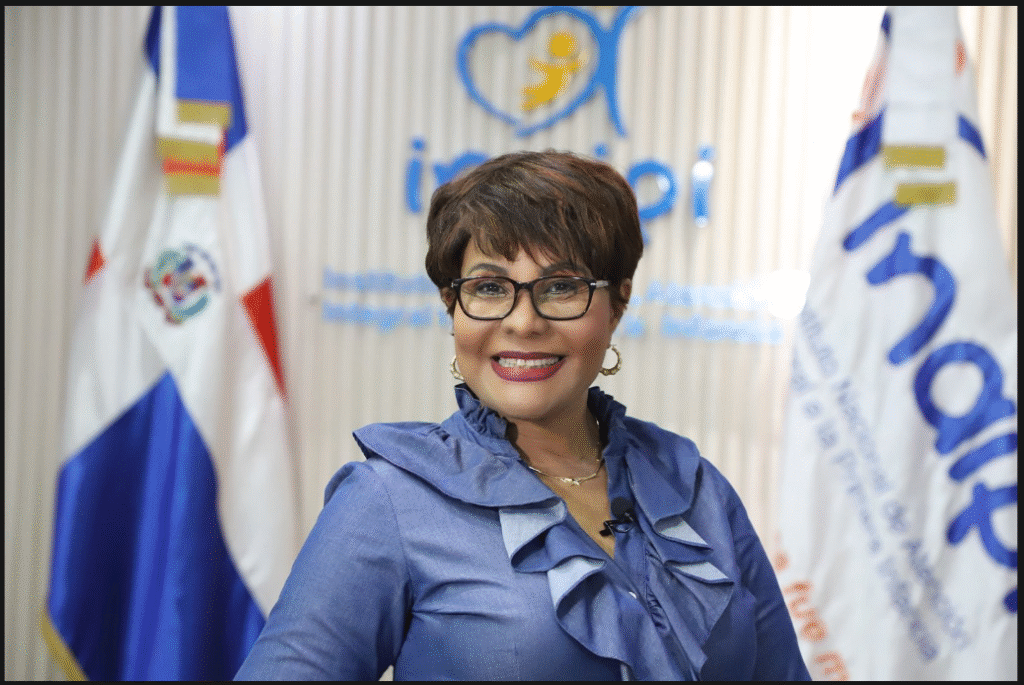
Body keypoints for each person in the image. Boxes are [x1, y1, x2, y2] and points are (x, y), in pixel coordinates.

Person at [235, 150, 811, 680]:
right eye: (489, 288)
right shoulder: (387, 501)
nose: (524, 322)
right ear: (452, 306)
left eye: (561, 287)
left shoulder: (695, 488)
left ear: (618, 304)